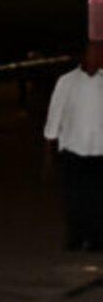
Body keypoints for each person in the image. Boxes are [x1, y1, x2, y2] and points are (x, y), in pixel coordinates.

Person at [44, 27, 103, 251]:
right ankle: (76, 238)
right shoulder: (66, 82)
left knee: (98, 199)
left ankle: (97, 239)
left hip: (99, 151)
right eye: (93, 51)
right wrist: (48, 152)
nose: (97, 56)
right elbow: (54, 115)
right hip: (73, 151)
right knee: (75, 199)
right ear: (84, 55)